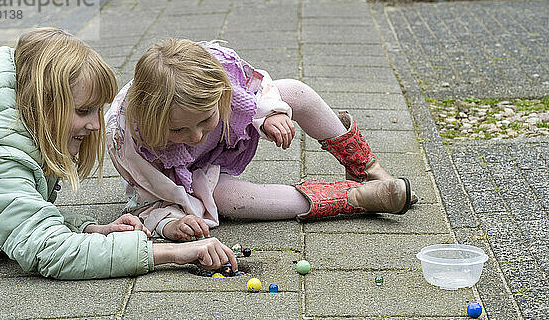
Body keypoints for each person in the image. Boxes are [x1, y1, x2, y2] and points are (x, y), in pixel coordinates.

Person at [0, 28, 237, 279]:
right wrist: (173, 253)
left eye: (97, 110)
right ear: (43, 103)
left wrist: (92, 230)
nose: (97, 124)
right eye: (84, 111)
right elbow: (51, 251)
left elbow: (22, 216)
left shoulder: (7, 134)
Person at [106, 38, 413, 241]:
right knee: (228, 200)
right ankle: (351, 198)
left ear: (222, 93)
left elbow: (257, 85)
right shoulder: (130, 143)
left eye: (203, 121)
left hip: (226, 131)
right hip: (190, 176)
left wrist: (270, 112)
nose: (196, 135)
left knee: (293, 91)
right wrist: (167, 223)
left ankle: (364, 167)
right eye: (179, 131)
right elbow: (146, 199)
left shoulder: (220, 70)